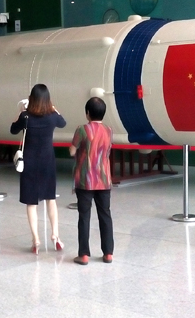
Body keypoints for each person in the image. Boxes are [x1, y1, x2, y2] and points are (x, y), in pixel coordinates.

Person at [10, 84, 67, 254]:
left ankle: (36, 240)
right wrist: (54, 109)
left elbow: (13, 130)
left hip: (29, 161)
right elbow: (63, 122)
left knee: (31, 202)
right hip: (47, 161)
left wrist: (20, 112)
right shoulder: (52, 117)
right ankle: (55, 235)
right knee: (51, 199)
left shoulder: (26, 117)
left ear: (31, 99)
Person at [69, 97, 114, 265]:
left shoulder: (82, 130)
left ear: (87, 113)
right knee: (105, 215)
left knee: (84, 217)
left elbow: (72, 151)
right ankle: (108, 253)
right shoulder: (109, 130)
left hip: (85, 180)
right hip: (104, 179)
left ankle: (84, 255)